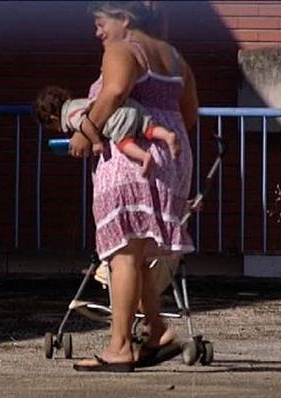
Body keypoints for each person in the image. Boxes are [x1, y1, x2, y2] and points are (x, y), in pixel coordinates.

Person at [70, 1, 199, 372]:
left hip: (132, 159)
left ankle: (120, 346)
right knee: (139, 252)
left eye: (100, 22)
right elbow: (190, 112)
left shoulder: (122, 49)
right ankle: (157, 331)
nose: (98, 32)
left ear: (124, 19)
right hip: (172, 157)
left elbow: (113, 91)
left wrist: (85, 130)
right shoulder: (174, 57)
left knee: (122, 253)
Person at [33, 85, 180, 177]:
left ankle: (144, 157)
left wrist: (96, 142)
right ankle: (167, 136)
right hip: (131, 106)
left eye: (54, 127)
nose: (59, 130)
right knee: (147, 128)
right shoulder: (77, 103)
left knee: (123, 142)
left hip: (118, 118)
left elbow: (85, 123)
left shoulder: (71, 116)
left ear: (53, 118)